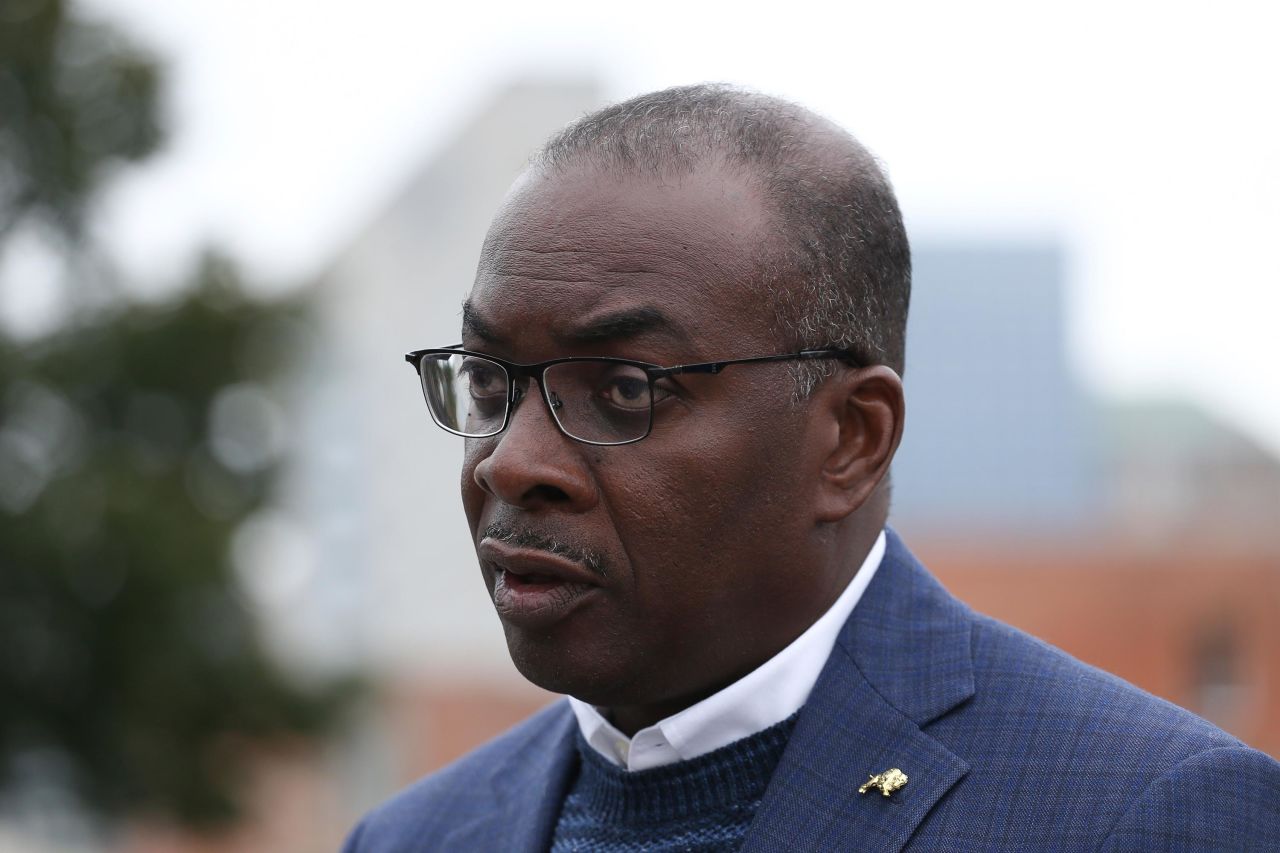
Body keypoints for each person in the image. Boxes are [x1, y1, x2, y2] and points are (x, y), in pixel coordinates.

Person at [343, 85, 1280, 851]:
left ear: (851, 439)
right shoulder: (414, 834)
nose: (513, 463)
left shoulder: (1146, 814)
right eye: (488, 381)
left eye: (624, 389)